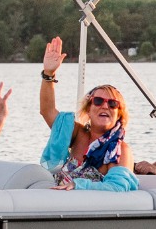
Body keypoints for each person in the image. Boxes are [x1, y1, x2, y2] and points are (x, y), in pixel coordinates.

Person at [38, 36, 137, 191]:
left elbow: (118, 188)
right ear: (88, 109)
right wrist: (49, 73)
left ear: (119, 114)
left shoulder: (120, 150)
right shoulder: (77, 134)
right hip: (56, 202)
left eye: (112, 104)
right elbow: (47, 110)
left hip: (86, 211)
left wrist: (77, 185)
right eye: (98, 101)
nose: (105, 106)